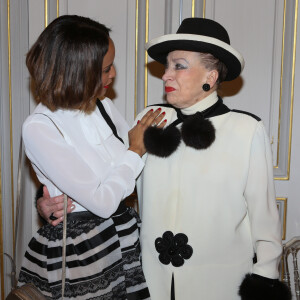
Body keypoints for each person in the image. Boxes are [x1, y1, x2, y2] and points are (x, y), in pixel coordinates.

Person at [37, 18, 291, 300]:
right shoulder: (148, 120)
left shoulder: (246, 130)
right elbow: (103, 173)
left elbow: (265, 219)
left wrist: (265, 279)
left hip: (220, 284)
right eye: (166, 66)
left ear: (211, 75)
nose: (166, 75)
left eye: (179, 66)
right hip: (148, 281)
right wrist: (54, 197)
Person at [18, 14, 165, 299]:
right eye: (106, 69)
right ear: (77, 71)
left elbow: (136, 169)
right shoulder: (39, 127)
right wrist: (135, 149)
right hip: (84, 255)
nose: (113, 75)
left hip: (124, 239)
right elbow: (103, 201)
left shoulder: (104, 107)